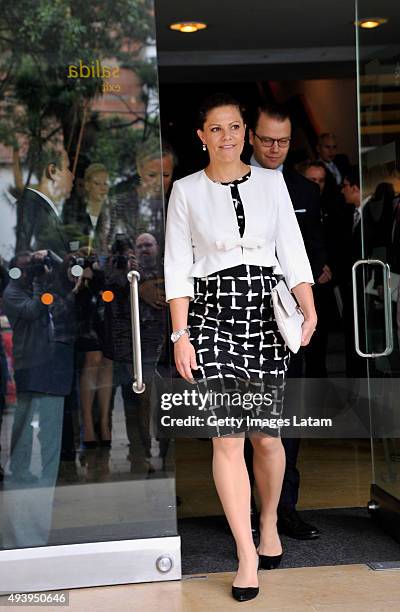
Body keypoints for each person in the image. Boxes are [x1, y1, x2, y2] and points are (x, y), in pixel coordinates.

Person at [164, 93, 316, 602]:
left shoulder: (272, 184)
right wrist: (180, 334)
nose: (227, 137)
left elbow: (292, 254)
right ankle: (246, 552)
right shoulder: (184, 191)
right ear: (201, 135)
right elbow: (176, 269)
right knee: (227, 438)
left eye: (234, 127)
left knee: (266, 438)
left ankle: (270, 519)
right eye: (216, 129)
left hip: (263, 316)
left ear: (244, 131)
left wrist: (309, 307)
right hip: (210, 320)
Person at [248, 102, 327, 540]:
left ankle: (283, 511)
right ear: (251, 137)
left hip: (291, 317)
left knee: (289, 417)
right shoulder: (231, 183)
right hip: (241, 316)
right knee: (244, 423)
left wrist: (299, 289)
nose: (275, 148)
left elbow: (314, 248)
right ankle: (244, 511)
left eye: (283, 141)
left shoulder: (304, 190)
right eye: (267, 140)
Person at [16, 145, 74, 257]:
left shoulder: (60, 196)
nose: (71, 175)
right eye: (66, 168)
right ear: (52, 170)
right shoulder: (31, 197)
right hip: (41, 252)